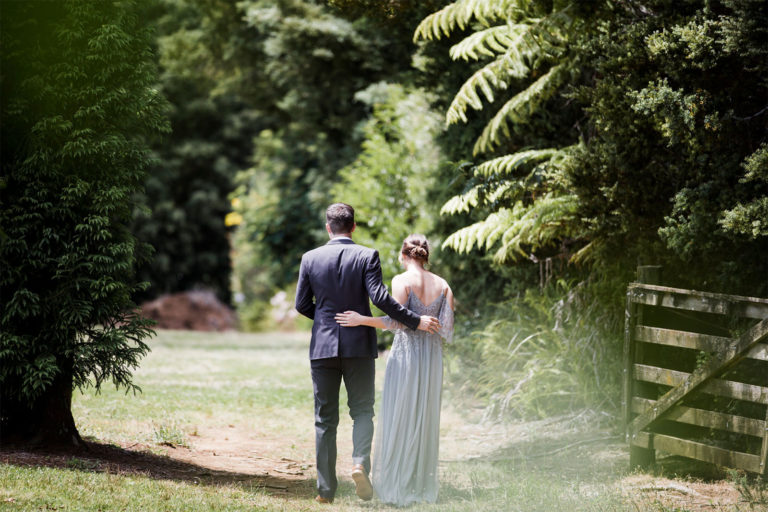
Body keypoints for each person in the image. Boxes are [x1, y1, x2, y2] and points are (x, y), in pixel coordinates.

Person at [294, 204, 441, 505]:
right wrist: (415, 321)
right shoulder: (366, 255)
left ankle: (325, 490)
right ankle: (359, 462)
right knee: (362, 411)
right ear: (354, 226)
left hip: (322, 348)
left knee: (325, 418)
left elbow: (301, 304)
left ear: (328, 227)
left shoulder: (310, 258)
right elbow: (380, 298)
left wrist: (324, 320)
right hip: (359, 346)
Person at [335, 234, 454, 506]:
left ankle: (397, 482)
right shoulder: (444, 285)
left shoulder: (401, 281)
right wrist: (430, 329)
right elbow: (447, 330)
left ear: (403, 256)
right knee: (423, 417)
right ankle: (419, 483)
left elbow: (397, 321)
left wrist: (360, 319)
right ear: (425, 256)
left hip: (406, 355)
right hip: (432, 358)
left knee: (400, 415)